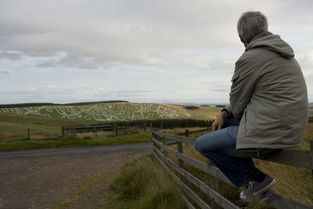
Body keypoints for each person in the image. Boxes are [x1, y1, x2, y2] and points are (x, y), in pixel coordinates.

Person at [194, 11, 308, 200]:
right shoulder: (283, 53)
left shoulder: (250, 58)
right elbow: (238, 107)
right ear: (265, 29)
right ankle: (253, 180)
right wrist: (224, 113)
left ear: (241, 38)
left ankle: (256, 178)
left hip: (270, 133)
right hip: (290, 131)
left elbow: (238, 106)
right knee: (226, 122)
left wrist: (227, 112)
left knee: (203, 145)